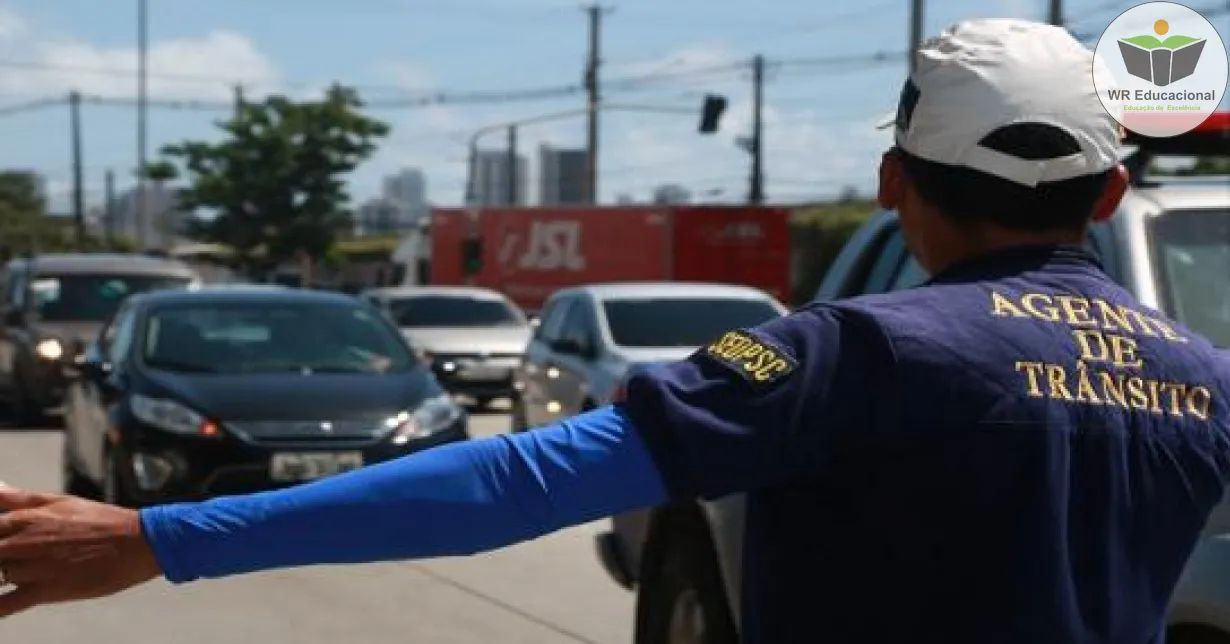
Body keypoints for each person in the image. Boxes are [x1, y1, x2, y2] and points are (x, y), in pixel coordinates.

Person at [1, 19, 1227, 643]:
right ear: (1112, 193)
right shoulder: (1204, 379)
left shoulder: (862, 349)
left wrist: (164, 534)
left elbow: (526, 474)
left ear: (897, 182)